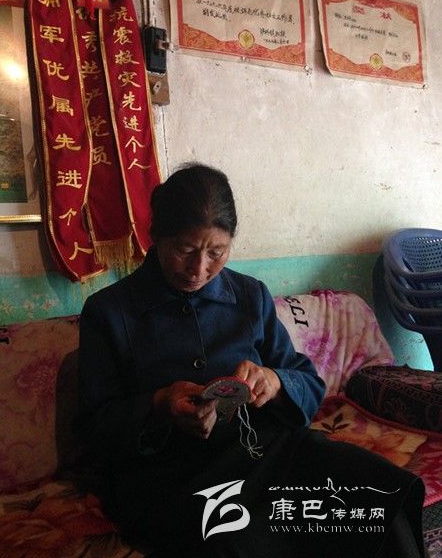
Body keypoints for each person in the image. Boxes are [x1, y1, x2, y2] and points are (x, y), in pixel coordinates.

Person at [76, 163, 426, 558]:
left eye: (216, 253)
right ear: (155, 236)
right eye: (184, 250)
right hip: (172, 476)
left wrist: (275, 382)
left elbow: (307, 382)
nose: (199, 269)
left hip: (267, 453)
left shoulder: (249, 296)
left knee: (379, 497)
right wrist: (159, 404)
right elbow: (92, 427)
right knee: (241, 539)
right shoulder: (109, 312)